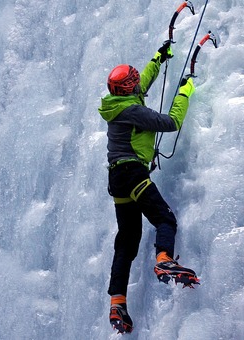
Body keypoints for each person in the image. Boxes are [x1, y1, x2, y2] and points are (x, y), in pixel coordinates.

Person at [98, 41, 198, 334]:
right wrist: (185, 90)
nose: (135, 84)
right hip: (132, 173)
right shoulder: (132, 110)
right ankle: (164, 260)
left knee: (127, 240)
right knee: (164, 218)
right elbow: (171, 121)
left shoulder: (116, 103)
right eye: (131, 82)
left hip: (117, 180)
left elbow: (142, 81)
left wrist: (159, 56)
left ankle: (117, 302)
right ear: (126, 89)